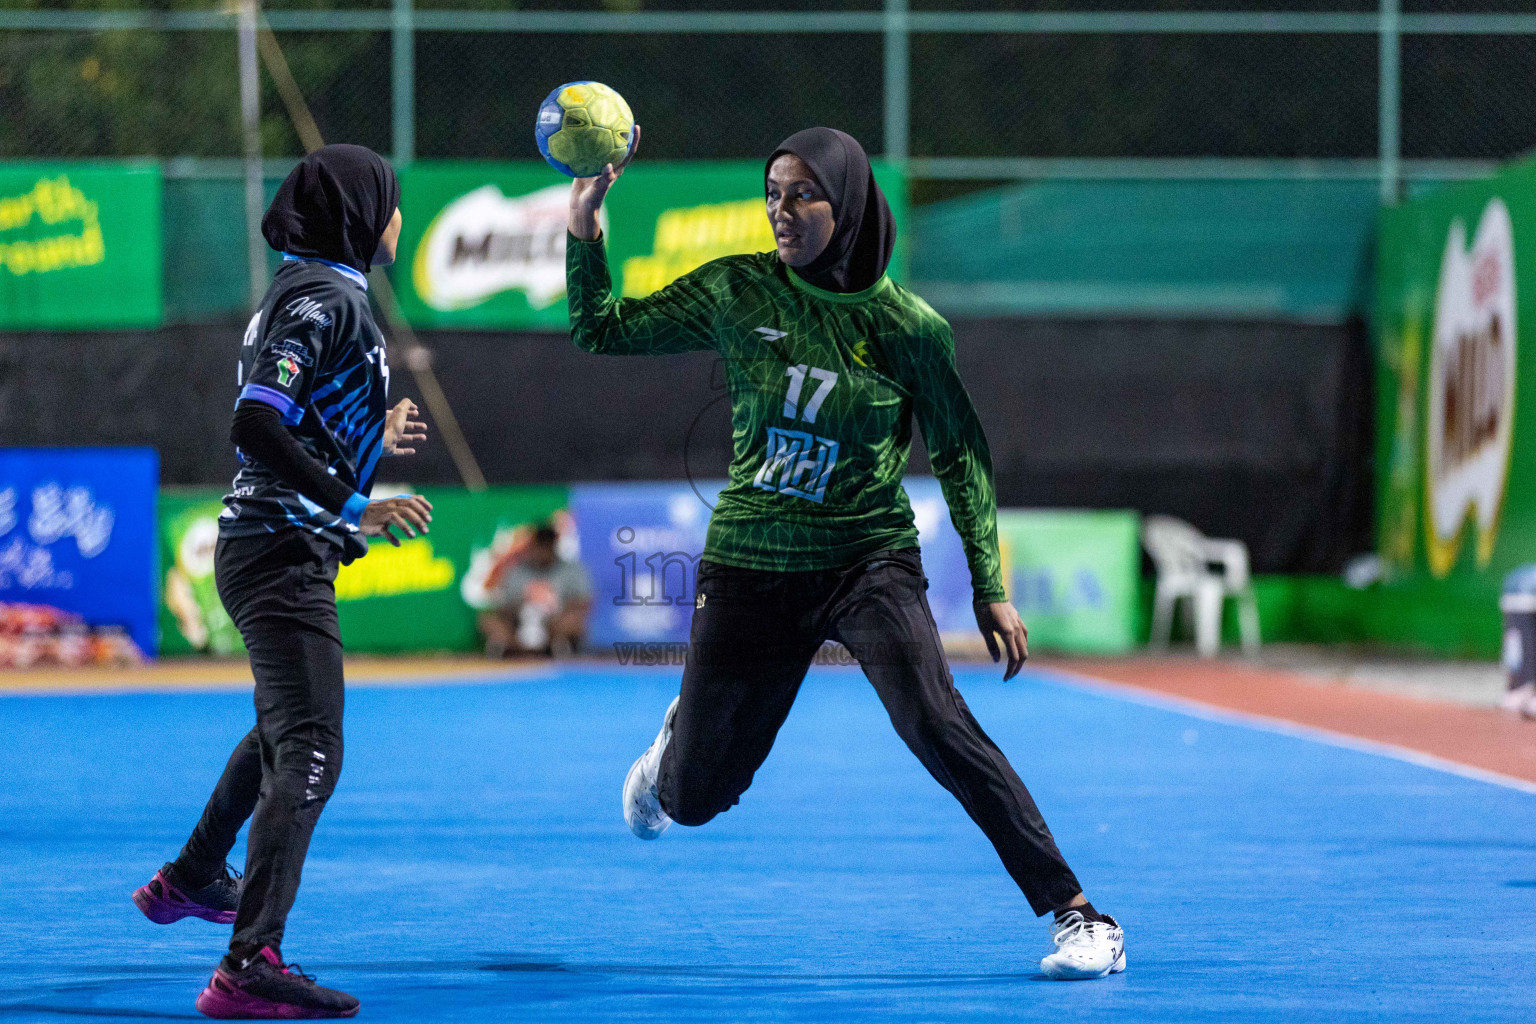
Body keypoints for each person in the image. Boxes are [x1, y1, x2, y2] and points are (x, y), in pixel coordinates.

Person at [566, 125, 1125, 980]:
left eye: (802, 195)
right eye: (772, 194)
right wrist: (585, 228)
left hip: (867, 562)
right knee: (694, 800)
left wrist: (989, 583)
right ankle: (675, 750)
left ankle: (1080, 915)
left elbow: (961, 452)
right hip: (750, 566)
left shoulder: (909, 329)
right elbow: (601, 329)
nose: (781, 212)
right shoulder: (737, 288)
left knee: (940, 726)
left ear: (850, 204)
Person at [130, 145, 433, 1019]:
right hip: (278, 550)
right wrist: (354, 505)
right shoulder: (326, 296)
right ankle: (247, 963)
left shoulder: (315, 287)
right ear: (360, 212)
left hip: (271, 545)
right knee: (312, 748)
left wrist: (371, 432)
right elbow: (257, 424)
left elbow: (299, 416)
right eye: (392, 201)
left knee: (281, 731)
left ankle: (190, 877)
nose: (399, 217)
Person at [477, 521, 593, 657]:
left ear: (554, 545)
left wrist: (555, 613)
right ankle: (515, 647)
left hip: (554, 624)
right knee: (488, 619)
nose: (543, 549)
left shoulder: (571, 569)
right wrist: (524, 607)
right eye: (540, 544)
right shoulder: (517, 570)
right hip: (519, 623)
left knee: (574, 621)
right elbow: (503, 604)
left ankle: (554, 646)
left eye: (547, 544)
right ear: (533, 545)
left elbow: (585, 601)